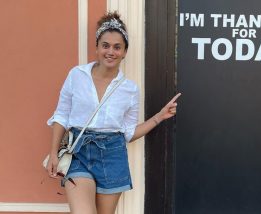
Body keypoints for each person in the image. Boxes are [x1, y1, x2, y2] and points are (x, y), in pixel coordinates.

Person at [45, 11, 180, 214]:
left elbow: (127, 133)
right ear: (97, 48)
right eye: (105, 45)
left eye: (117, 47)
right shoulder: (77, 75)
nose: (111, 51)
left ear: (125, 52)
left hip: (113, 155)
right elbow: (62, 115)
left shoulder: (130, 89)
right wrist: (54, 153)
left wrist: (159, 117)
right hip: (79, 152)